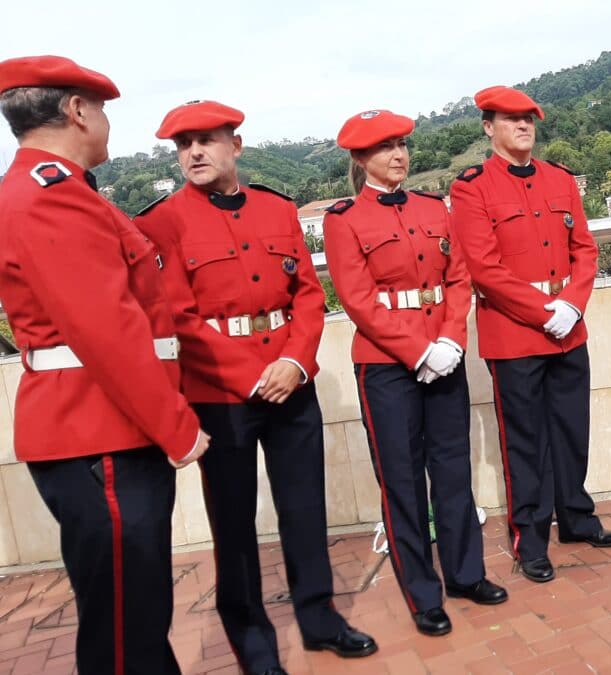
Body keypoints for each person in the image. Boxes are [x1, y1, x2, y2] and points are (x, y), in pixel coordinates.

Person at [135, 100, 375, 675]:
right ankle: (252, 641)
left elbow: (308, 295)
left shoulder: (276, 208)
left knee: (303, 508)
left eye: (207, 140)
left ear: (235, 146)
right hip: (221, 395)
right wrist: (250, 375)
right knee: (234, 523)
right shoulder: (161, 221)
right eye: (182, 144)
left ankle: (319, 619)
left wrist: (295, 361)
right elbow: (177, 319)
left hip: (291, 383)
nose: (194, 152)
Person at [0, 55, 210, 674]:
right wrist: (176, 425)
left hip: (103, 428)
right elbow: (109, 330)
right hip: (101, 432)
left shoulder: (54, 189)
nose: (108, 126)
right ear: (76, 110)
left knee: (137, 614)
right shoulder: (51, 197)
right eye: (103, 112)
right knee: (125, 627)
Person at [322, 109, 508, 636]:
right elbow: (357, 300)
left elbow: (458, 276)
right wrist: (417, 351)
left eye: (402, 145)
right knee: (401, 481)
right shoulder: (344, 219)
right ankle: (422, 594)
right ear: (361, 159)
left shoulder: (433, 207)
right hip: (387, 367)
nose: (398, 155)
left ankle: (466, 575)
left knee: (452, 471)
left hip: (444, 354)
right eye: (384, 149)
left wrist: (450, 338)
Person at [450, 86, 611, 584]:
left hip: (568, 328)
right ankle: (530, 536)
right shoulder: (472, 187)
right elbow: (483, 268)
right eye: (510, 120)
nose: (523, 126)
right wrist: (543, 310)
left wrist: (571, 304)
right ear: (489, 127)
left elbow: (585, 249)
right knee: (525, 443)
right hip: (514, 333)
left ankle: (575, 518)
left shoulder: (560, 180)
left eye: (529, 119)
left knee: (572, 431)